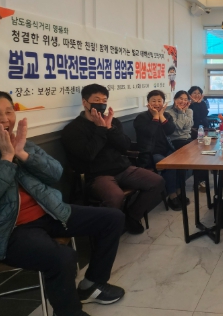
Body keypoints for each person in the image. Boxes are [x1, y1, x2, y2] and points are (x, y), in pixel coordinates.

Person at [0, 91, 125, 316]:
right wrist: (6, 158)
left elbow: (55, 173)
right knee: (63, 257)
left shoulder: (21, 142)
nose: (5, 118)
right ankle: (67, 315)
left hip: (49, 211)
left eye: (9, 112)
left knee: (112, 218)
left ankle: (92, 284)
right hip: (6, 229)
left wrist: (21, 153)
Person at [62, 84, 165, 235]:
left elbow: (125, 146)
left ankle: (131, 217)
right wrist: (100, 129)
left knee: (157, 181)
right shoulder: (73, 129)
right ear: (85, 102)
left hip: (123, 168)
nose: (101, 103)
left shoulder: (112, 121)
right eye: (97, 100)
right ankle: (107, 230)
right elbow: (88, 155)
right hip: (97, 175)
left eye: (104, 100)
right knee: (115, 196)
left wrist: (110, 128)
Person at [133, 90, 186, 211]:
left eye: (159, 101)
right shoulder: (141, 118)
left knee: (180, 161)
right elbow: (149, 133)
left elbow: (170, 130)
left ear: (163, 103)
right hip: (150, 154)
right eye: (153, 101)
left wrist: (161, 115)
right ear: (148, 102)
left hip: (166, 149)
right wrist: (156, 117)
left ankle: (179, 191)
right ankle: (172, 196)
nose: (156, 104)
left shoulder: (166, 115)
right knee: (170, 165)